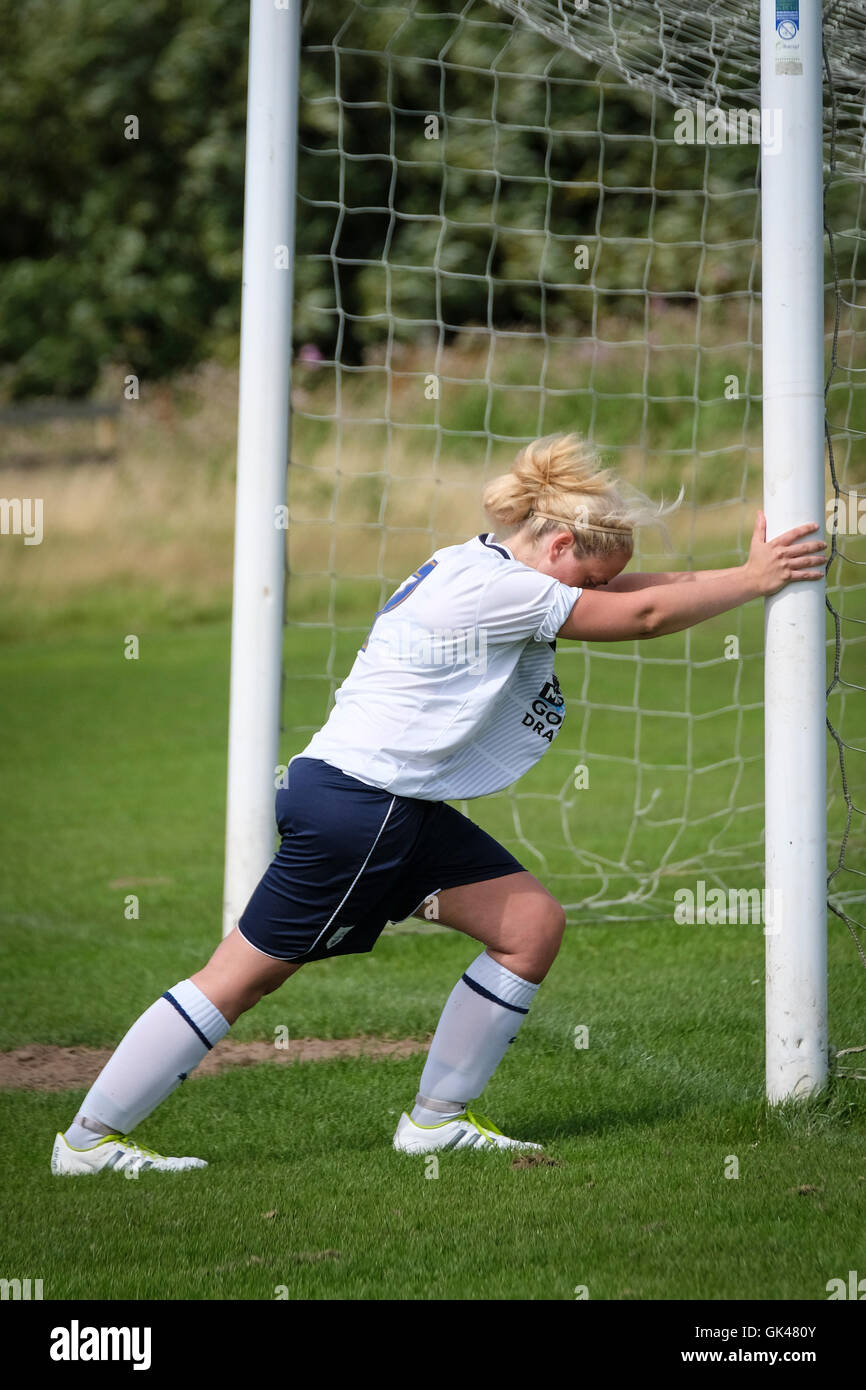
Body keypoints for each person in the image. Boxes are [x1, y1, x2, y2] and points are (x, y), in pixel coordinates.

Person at [51, 433, 826, 1173]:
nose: (594, 593)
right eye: (589, 580)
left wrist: (742, 570)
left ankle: (437, 1124)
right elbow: (643, 616)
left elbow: (628, 593)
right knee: (241, 977)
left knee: (529, 925)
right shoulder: (502, 592)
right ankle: (89, 1140)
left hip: (388, 806)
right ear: (558, 546)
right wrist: (757, 581)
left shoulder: (479, 564)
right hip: (360, 809)